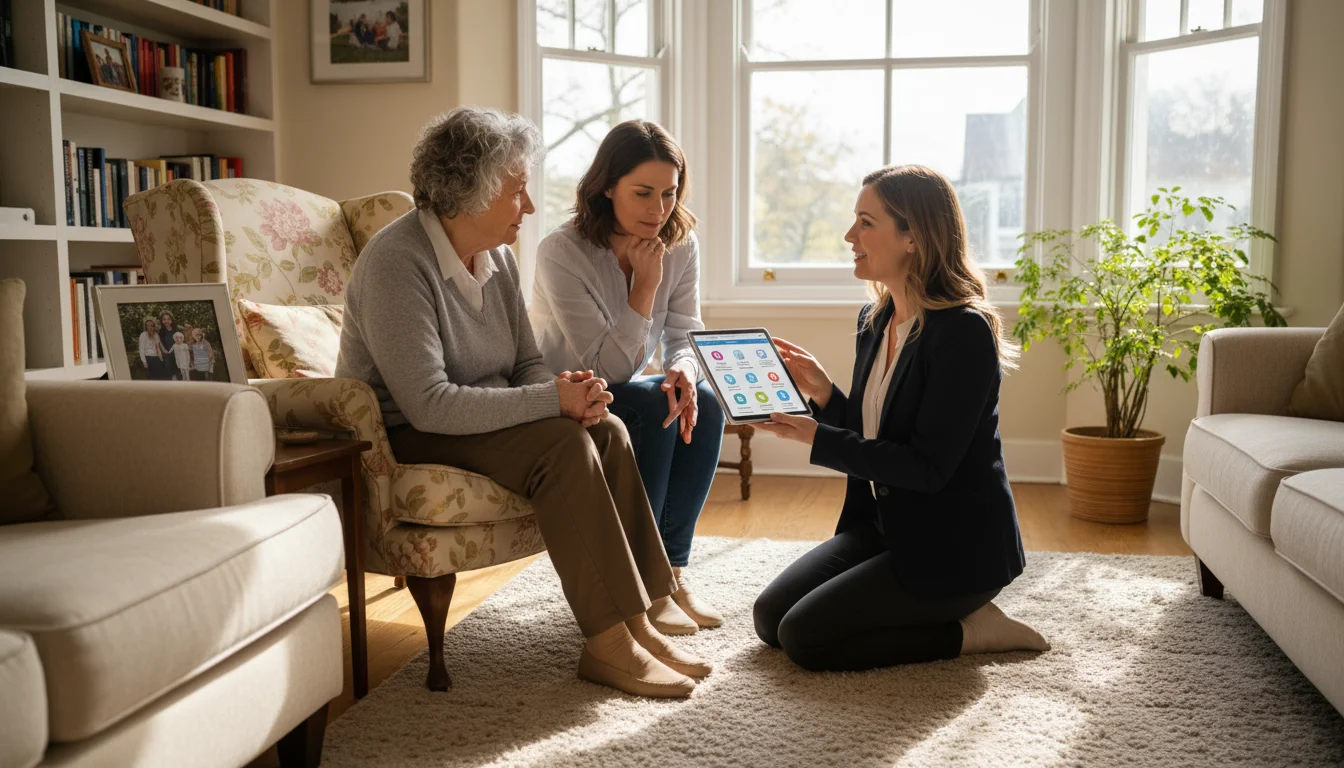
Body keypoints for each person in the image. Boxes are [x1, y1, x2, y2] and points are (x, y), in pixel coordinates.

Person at [335, 106, 711, 698]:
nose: (529, 207)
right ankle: (608, 645)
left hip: (479, 416)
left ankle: (637, 619)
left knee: (607, 429)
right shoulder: (395, 262)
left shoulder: (499, 255)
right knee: (563, 443)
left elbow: (528, 364)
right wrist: (551, 405)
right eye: (516, 192)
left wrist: (571, 396)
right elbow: (429, 405)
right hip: (410, 429)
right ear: (469, 191)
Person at [752, 164, 1049, 672]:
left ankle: (970, 630)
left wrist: (817, 438)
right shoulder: (877, 318)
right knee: (769, 618)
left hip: (954, 549)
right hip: (887, 526)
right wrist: (825, 394)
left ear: (913, 237)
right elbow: (880, 436)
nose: (850, 236)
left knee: (806, 639)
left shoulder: (963, 333)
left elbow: (926, 467)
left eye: (866, 223)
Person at [532, 120, 725, 637]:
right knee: (646, 398)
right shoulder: (561, 252)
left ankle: (672, 573)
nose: (658, 210)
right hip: (568, 396)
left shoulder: (681, 245)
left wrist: (684, 370)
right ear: (607, 186)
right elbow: (604, 370)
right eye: (643, 193)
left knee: (696, 402)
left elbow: (686, 332)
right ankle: (647, 583)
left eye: (669, 193)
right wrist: (644, 287)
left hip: (630, 389)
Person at [156, 311, 180, 380]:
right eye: (164, 319)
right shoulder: (161, 331)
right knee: (169, 374)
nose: (166, 321)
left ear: (171, 319)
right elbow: (160, 343)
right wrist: (165, 351)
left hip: (177, 354)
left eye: (168, 319)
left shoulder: (176, 329)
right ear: (162, 321)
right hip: (167, 355)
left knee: (179, 374)